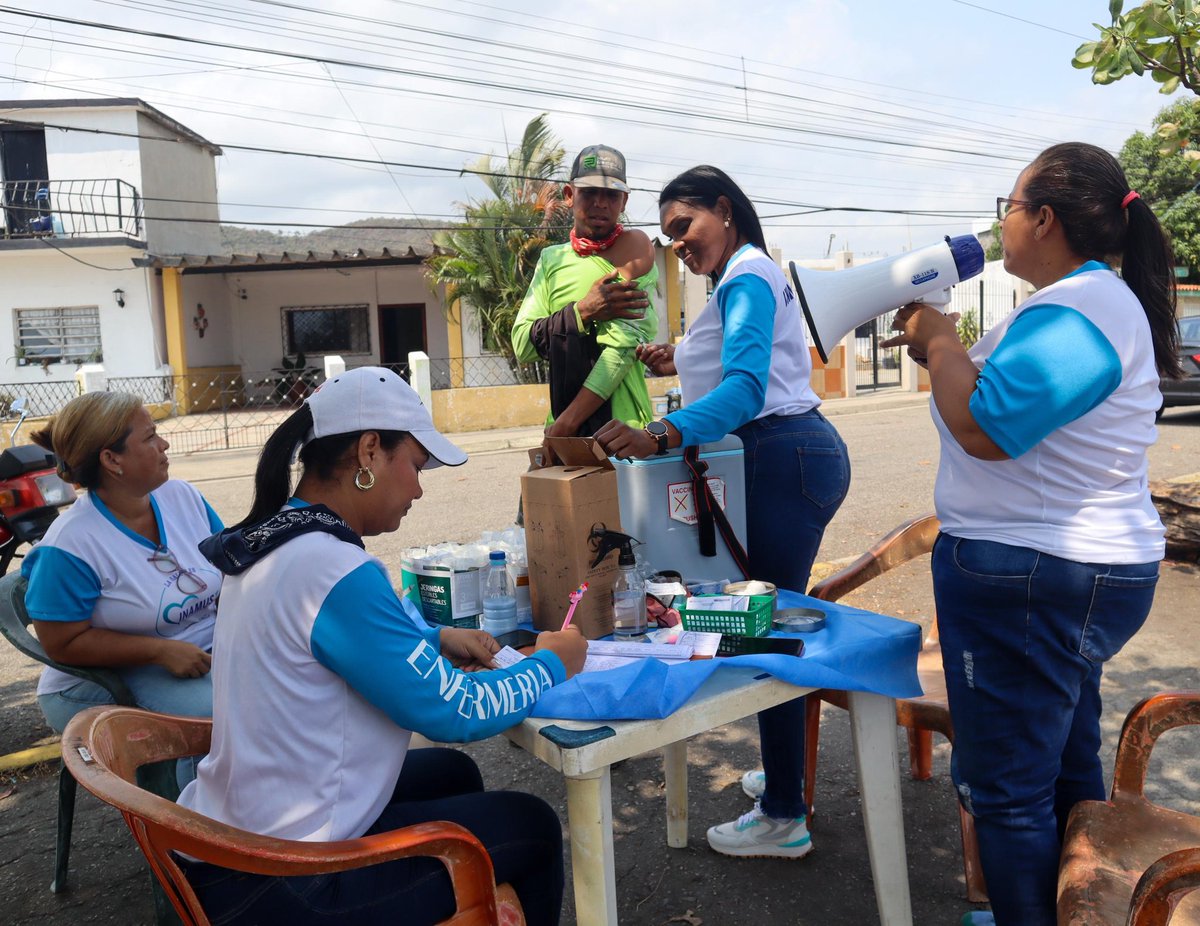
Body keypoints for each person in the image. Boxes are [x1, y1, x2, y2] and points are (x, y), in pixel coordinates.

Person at [882, 142, 1181, 926]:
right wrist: (938, 344)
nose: (1000, 223)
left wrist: (942, 339)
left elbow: (988, 425)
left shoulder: (1085, 309)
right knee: (1061, 761)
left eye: (1007, 207)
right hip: (1051, 567)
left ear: (1043, 219)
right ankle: (1067, 907)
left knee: (1008, 788)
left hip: (1036, 572)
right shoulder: (1079, 303)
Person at [178, 366, 587, 926]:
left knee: (453, 777)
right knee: (533, 826)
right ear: (370, 451)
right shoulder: (331, 566)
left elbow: (325, 640)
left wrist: (432, 638)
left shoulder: (280, 537)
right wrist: (550, 664)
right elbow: (454, 710)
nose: (419, 488)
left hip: (231, 836)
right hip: (285, 882)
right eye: (416, 466)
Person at [596, 165, 851, 860]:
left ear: (725, 209)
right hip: (784, 455)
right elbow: (731, 356)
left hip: (780, 454)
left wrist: (661, 434)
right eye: (669, 233)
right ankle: (785, 777)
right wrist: (676, 354)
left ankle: (783, 816)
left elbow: (744, 388)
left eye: (686, 226)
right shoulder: (743, 278)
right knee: (762, 616)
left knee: (760, 629)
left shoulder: (744, 276)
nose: (678, 242)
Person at [22, 392, 222, 785]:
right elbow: (61, 643)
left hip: (197, 651)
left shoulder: (182, 497)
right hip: (97, 679)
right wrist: (159, 650)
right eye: (149, 438)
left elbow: (228, 563)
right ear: (112, 460)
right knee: (216, 716)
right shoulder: (72, 545)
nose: (163, 445)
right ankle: (194, 832)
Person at [511, 143, 660, 449]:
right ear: (569, 195)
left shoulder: (635, 254)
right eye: (589, 192)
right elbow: (523, 344)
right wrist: (582, 312)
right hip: (563, 433)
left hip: (624, 432)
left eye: (611, 195)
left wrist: (567, 422)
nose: (600, 203)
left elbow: (622, 348)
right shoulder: (552, 260)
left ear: (624, 201)